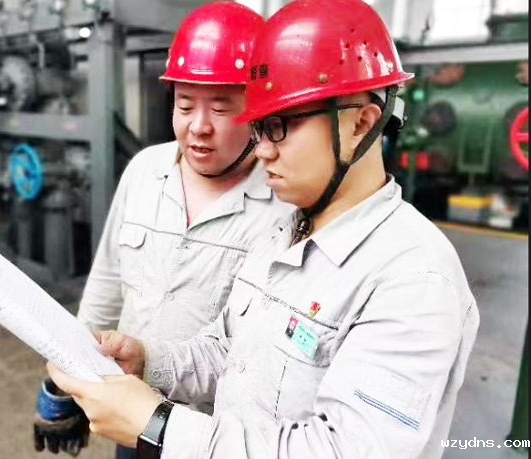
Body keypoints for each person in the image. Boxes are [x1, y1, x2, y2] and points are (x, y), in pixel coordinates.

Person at [47, 0, 480, 457]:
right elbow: (227, 351)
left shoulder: (413, 279)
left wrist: (158, 425)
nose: (262, 151)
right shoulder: (285, 236)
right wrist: (148, 360)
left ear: (360, 123)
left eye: (280, 127)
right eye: (258, 128)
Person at [33, 2, 293, 457]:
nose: (198, 127)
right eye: (184, 104)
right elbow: (107, 282)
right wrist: (66, 382)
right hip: (130, 415)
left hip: (214, 435)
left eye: (221, 108)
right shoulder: (144, 169)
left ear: (259, 111)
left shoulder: (283, 208)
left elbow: (263, 356)